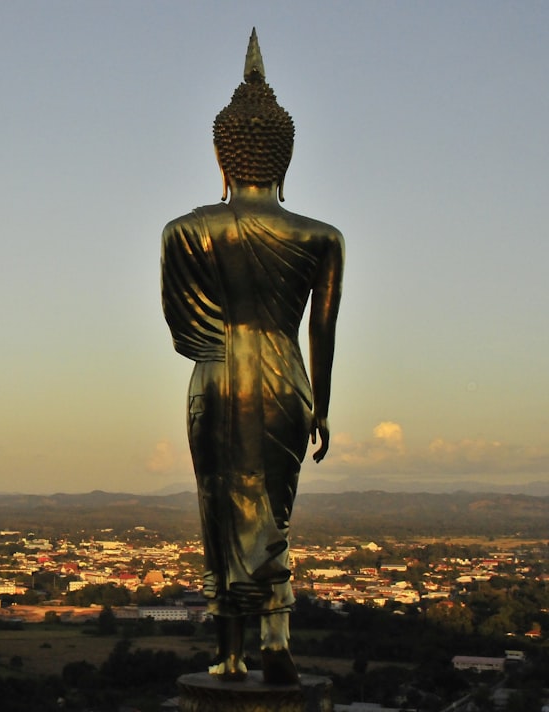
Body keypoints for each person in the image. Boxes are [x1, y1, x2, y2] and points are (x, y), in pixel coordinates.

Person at [160, 29, 344, 684]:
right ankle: (276, 636)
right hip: (286, 378)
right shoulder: (322, 238)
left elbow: (183, 327)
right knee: (273, 511)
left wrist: (221, 345)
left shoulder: (185, 233)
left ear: (222, 156)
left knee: (220, 509)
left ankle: (230, 651)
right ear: (283, 158)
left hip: (215, 377)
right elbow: (322, 330)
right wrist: (322, 405)